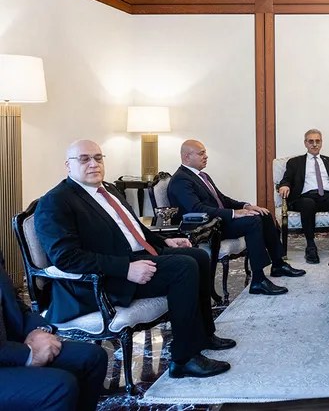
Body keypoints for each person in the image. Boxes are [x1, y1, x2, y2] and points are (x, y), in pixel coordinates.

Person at [36, 140, 234, 379]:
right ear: (68, 166)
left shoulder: (108, 189)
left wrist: (165, 242)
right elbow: (66, 258)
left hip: (135, 256)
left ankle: (203, 335)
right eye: (84, 159)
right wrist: (126, 268)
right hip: (104, 279)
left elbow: (134, 229)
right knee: (184, 267)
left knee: (199, 256)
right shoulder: (56, 201)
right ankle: (184, 359)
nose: (93, 164)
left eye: (98, 158)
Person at [169, 140, 304, 295]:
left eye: (205, 152)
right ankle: (258, 280)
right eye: (201, 153)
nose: (206, 156)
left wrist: (246, 206)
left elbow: (222, 200)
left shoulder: (202, 176)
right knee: (253, 222)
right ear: (187, 157)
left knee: (263, 214)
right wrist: (234, 213)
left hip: (219, 220)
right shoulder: (180, 180)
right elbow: (196, 209)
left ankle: (278, 264)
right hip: (207, 227)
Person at [0, 250, 108, 411]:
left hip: (8, 345)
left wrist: (36, 330)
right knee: (59, 388)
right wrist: (29, 354)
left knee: (93, 357)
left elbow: (12, 299)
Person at [277, 129, 329, 264]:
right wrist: (284, 186)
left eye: (317, 141)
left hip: (327, 197)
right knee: (308, 203)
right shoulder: (295, 162)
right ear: (305, 143)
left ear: (321, 143)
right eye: (311, 141)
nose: (314, 144)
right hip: (305, 198)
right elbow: (287, 179)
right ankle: (311, 246)